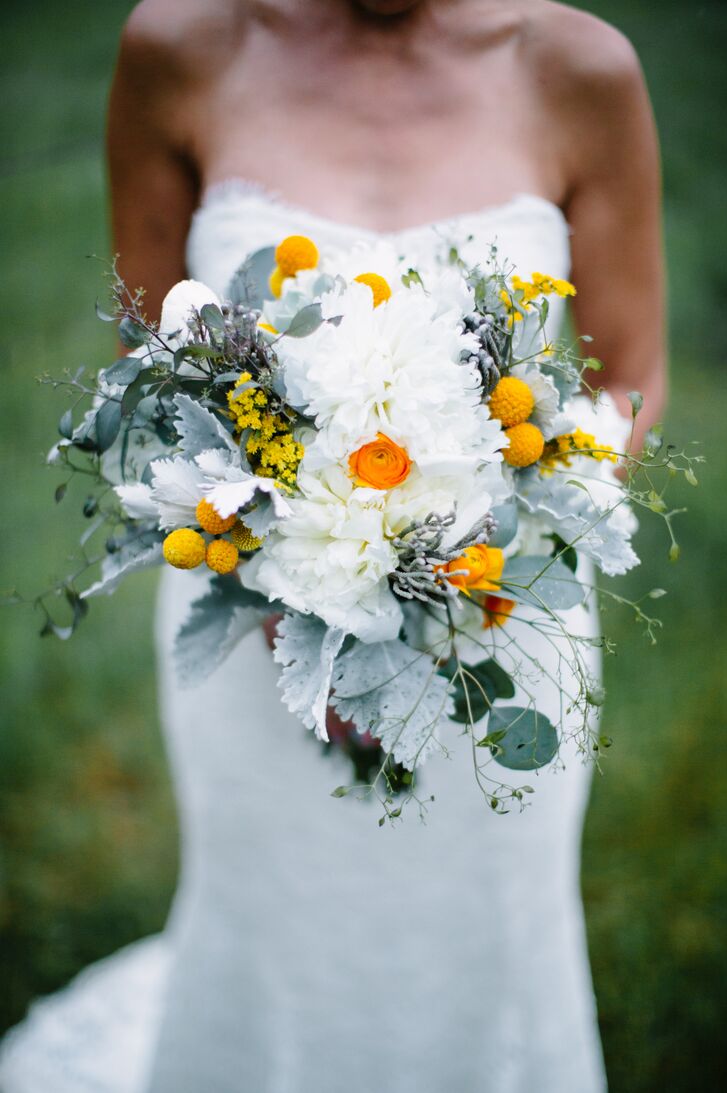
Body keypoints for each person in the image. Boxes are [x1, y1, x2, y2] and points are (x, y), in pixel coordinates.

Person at [0, 1, 666, 1090]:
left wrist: (476, 550)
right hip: (255, 616)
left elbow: (630, 368)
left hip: (502, 622)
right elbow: (154, 341)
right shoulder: (179, 49)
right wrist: (282, 563)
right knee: (279, 913)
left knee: (488, 930)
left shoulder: (580, 68)